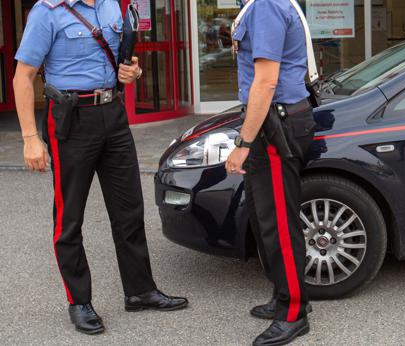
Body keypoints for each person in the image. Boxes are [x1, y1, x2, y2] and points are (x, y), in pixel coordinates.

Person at [13, 0, 188, 335]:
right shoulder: (47, 11)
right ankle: (79, 301)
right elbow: (23, 76)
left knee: (129, 209)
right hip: (71, 119)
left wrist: (132, 72)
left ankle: (140, 291)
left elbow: (125, 63)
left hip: (113, 111)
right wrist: (29, 137)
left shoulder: (112, 6)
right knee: (69, 217)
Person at [224, 0, 317, 345]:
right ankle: (284, 294)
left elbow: (265, 81)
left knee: (278, 222)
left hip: (274, 124)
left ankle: (293, 312)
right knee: (269, 219)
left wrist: (244, 142)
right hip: (274, 119)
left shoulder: (265, 5)